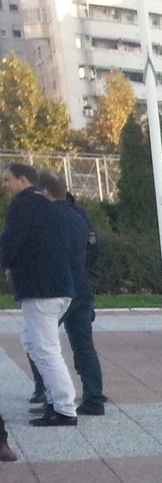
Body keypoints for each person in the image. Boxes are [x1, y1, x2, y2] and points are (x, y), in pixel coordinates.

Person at [1, 163, 79, 426]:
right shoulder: (49, 206)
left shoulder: (23, 205)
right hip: (58, 287)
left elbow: (11, 242)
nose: (6, 185)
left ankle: (64, 408)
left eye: (8, 180)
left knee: (45, 349)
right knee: (32, 342)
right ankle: (54, 399)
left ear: (23, 180)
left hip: (41, 289)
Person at [41, 174, 105, 415]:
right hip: (82, 286)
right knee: (84, 345)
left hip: (57, 289)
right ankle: (94, 397)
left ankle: (47, 395)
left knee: (42, 343)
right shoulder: (79, 215)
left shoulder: (48, 218)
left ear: (46, 192)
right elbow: (94, 248)